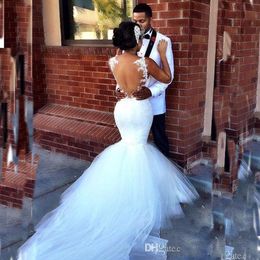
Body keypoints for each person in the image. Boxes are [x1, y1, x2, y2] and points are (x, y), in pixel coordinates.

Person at [17, 22, 198, 260]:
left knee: (127, 146)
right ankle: (135, 202)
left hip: (122, 108)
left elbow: (118, 85)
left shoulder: (113, 61)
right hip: (139, 108)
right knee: (139, 148)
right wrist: (163, 54)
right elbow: (167, 77)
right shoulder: (146, 62)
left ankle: (122, 196)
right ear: (135, 41)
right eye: (140, 38)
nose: (143, 41)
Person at [117, 3, 174, 157]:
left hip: (154, 103)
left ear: (150, 19)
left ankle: (164, 175)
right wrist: (119, 88)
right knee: (133, 143)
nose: (138, 25)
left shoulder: (163, 41)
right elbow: (123, 67)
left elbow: (169, 78)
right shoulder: (127, 40)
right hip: (133, 105)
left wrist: (151, 92)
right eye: (135, 21)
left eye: (142, 21)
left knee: (160, 139)